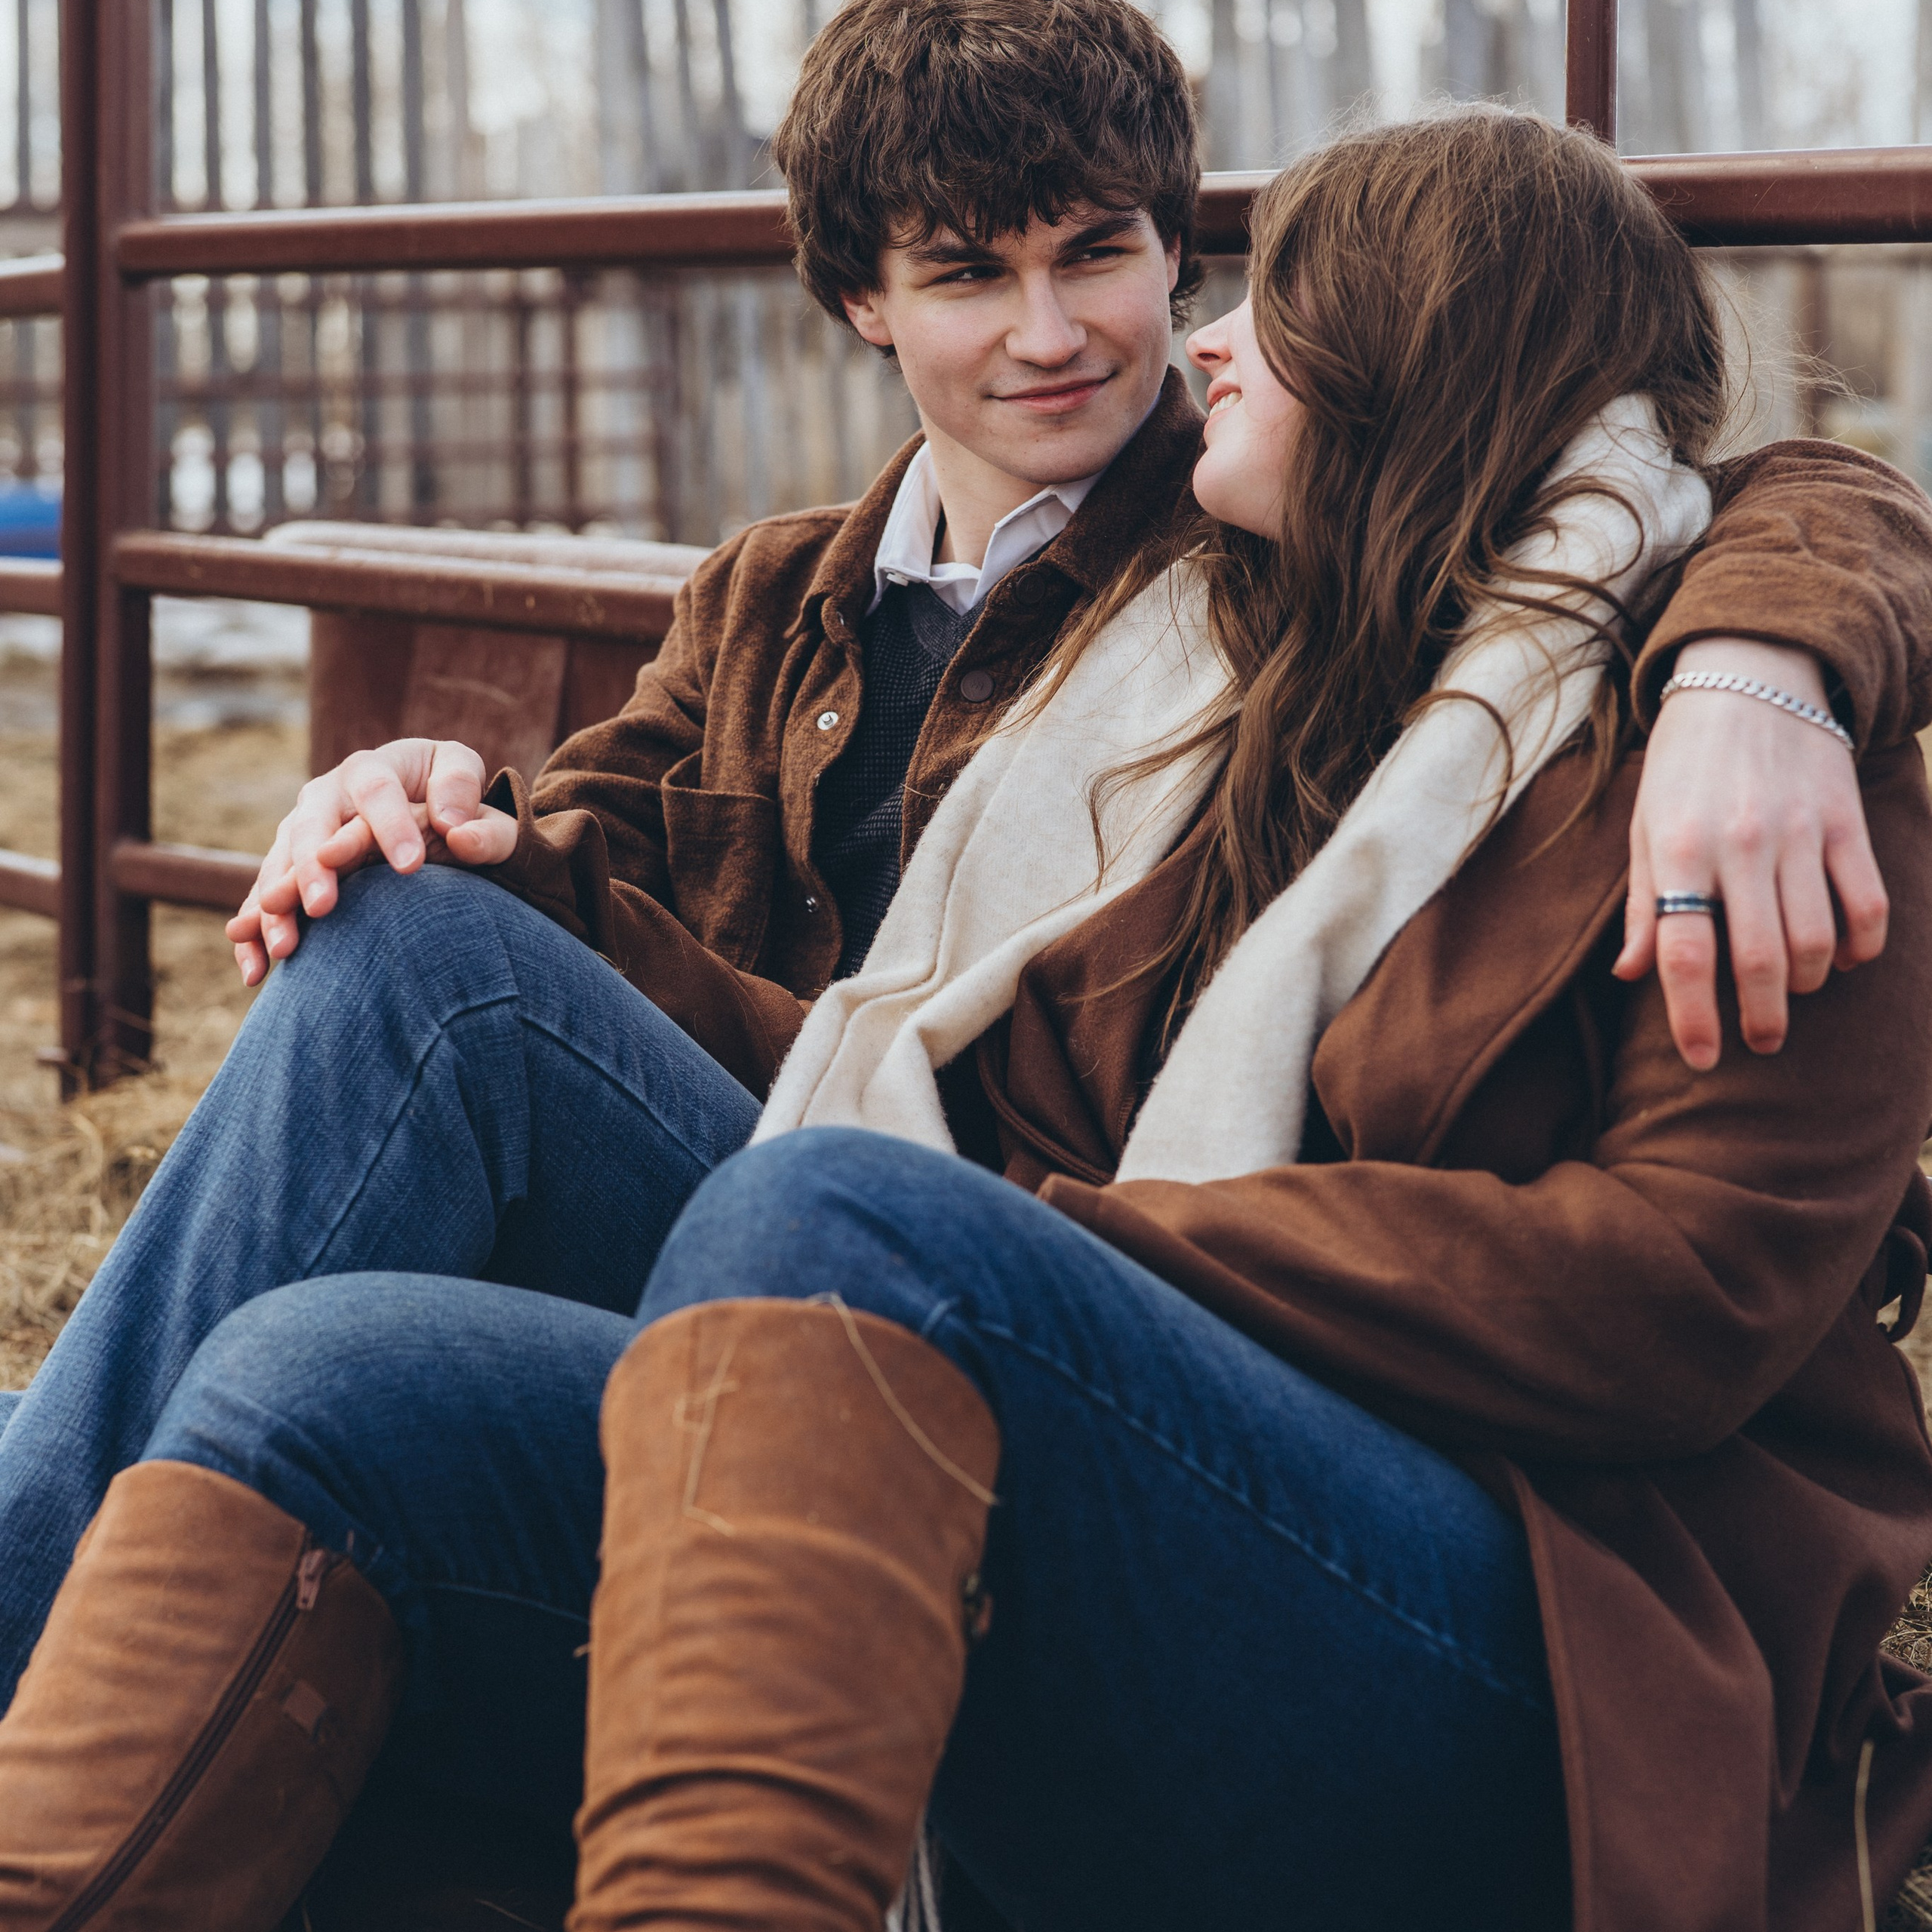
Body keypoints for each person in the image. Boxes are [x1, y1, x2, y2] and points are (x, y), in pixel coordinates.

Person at [0, 35, 1930, 1930]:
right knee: (330, 1307)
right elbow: (647, 884)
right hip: (883, 1286)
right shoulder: (862, 601)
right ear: (861, 301)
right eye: (966, 272)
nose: (1124, 337)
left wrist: (1761, 667)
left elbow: (1758, 487)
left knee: (821, 1202)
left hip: (1446, 1586)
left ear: (1401, 360)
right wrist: (435, 816)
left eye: (1116, 255)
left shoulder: (1319, 579)